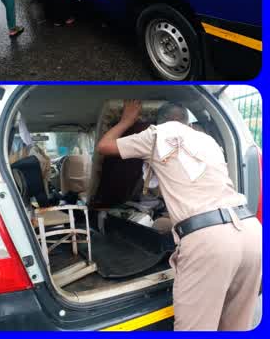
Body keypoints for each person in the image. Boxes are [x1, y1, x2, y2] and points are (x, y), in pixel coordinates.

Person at [97, 100, 261, 331]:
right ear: (186, 121)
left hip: (210, 241)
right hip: (251, 231)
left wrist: (127, 121)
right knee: (237, 325)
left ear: (160, 121)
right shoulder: (208, 140)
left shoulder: (155, 135)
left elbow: (104, 146)